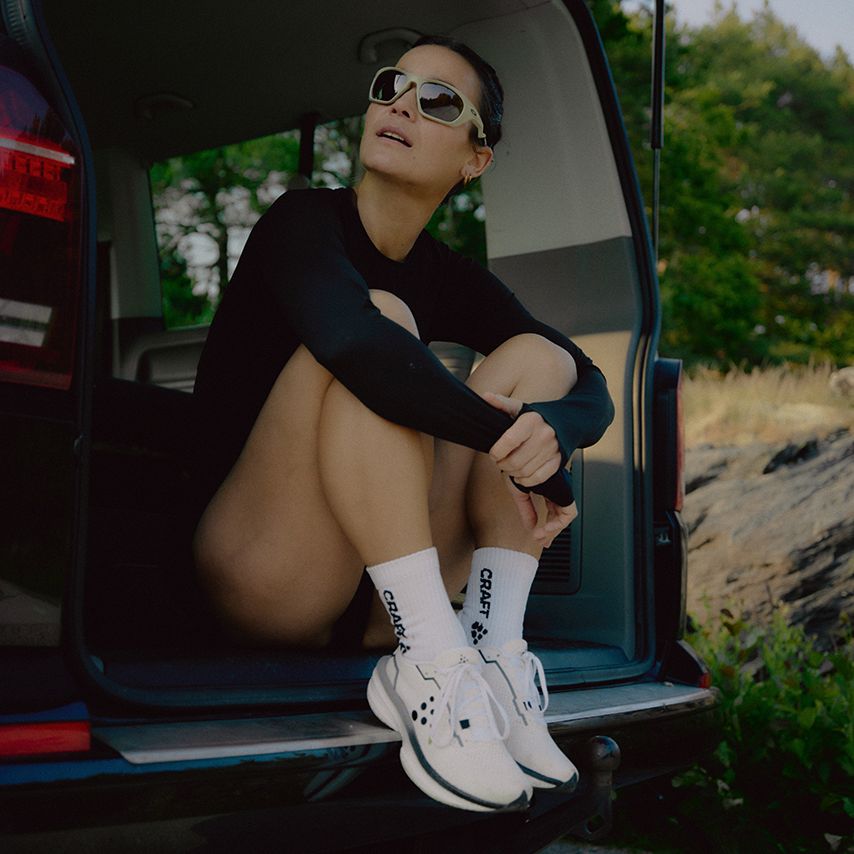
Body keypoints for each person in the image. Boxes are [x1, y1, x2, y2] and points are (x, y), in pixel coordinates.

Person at [192, 35, 615, 813]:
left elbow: (589, 383)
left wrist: (551, 431)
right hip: (269, 572)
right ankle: (432, 654)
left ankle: (486, 652)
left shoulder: (448, 273)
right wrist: (523, 456)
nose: (401, 103)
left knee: (534, 360)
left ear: (474, 158)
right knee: (385, 327)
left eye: (439, 101)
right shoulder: (302, 225)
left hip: (381, 595)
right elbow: (358, 343)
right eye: (393, 84)